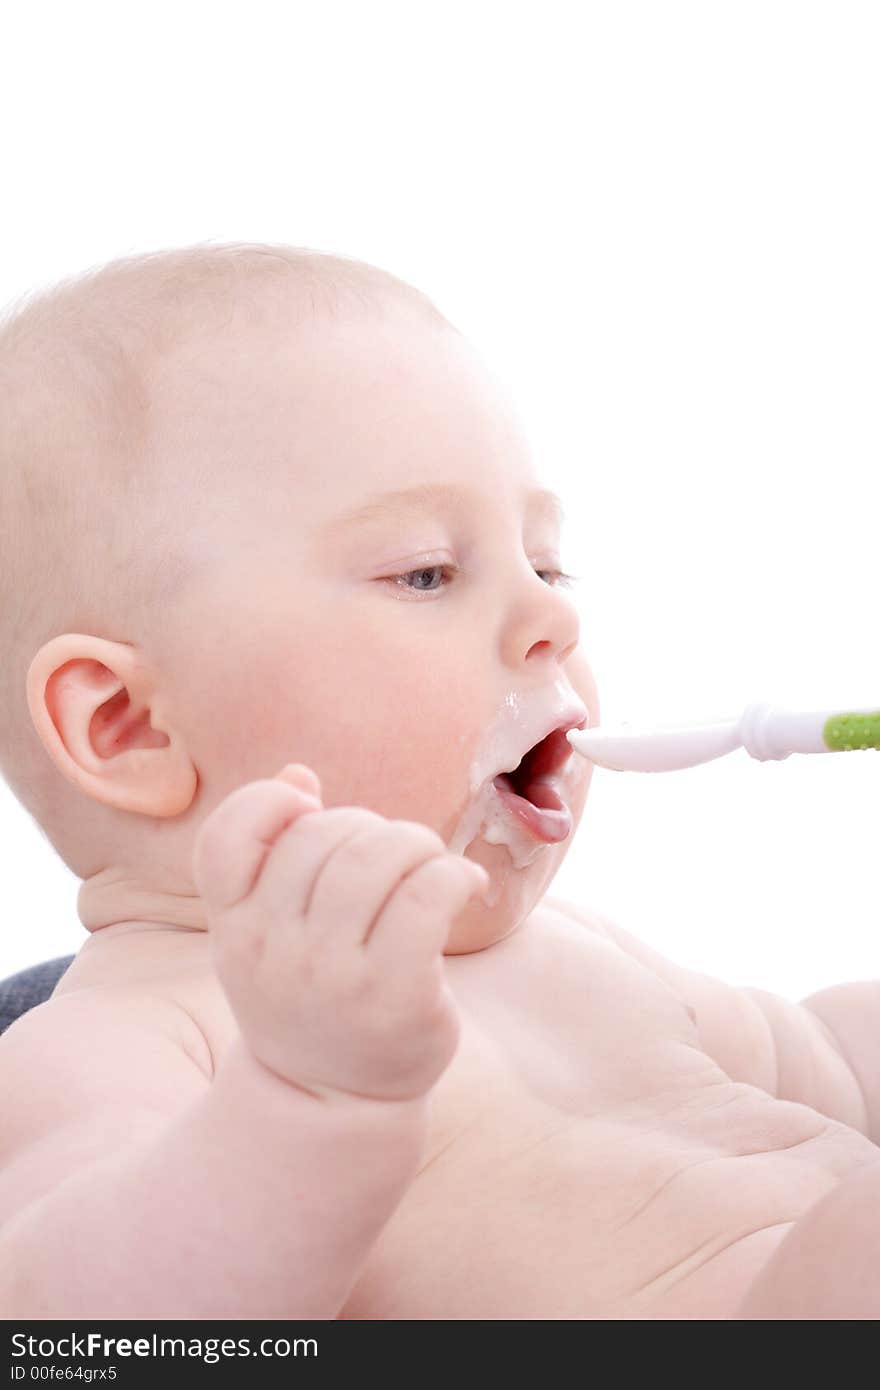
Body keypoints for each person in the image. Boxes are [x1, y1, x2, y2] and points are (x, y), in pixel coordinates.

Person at [0, 242, 877, 1320]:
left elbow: (831, 1060)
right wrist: (305, 1098)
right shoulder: (138, 1035)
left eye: (545, 566)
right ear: (129, 724)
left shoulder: (580, 954)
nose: (554, 617)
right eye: (426, 572)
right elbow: (78, 1335)